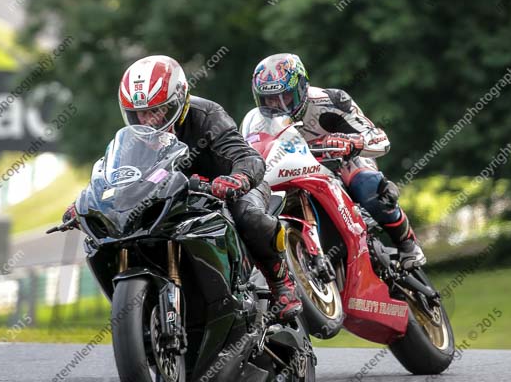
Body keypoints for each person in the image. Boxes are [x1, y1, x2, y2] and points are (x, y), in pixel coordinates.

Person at [63, 55, 302, 321]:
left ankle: (281, 283)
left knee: (249, 216)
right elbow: (115, 176)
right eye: (139, 113)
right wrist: (88, 203)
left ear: (179, 101)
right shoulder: (133, 139)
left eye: (157, 111)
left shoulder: (207, 116)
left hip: (229, 188)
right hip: (178, 196)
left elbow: (249, 158)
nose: (148, 120)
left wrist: (238, 179)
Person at [250, 52, 426, 270]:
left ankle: (407, 244)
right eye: (270, 99)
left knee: (367, 185)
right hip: (292, 173)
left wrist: (353, 143)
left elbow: (379, 138)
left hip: (341, 163)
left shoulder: (331, 101)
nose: (278, 105)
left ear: (301, 88)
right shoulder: (256, 123)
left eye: (285, 97)